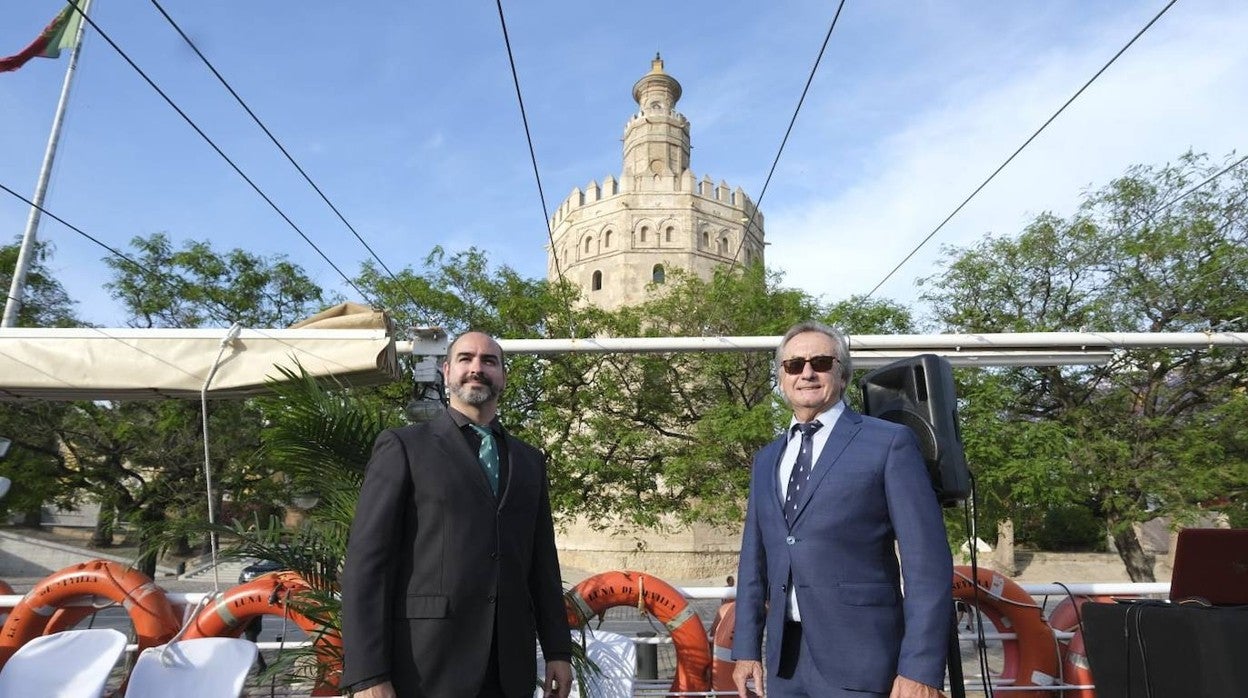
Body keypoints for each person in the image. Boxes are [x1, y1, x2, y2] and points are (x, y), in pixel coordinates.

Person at [340, 331, 573, 698]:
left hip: (509, 668)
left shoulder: (530, 461)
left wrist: (558, 649)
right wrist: (368, 674)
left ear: (503, 377)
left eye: (489, 361)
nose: (476, 368)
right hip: (425, 666)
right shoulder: (404, 447)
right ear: (447, 372)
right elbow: (367, 565)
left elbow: (542, 563)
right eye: (465, 359)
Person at [732, 321, 952, 698]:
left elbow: (927, 564)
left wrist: (921, 669)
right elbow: (754, 561)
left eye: (820, 362)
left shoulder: (888, 443)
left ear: (843, 374)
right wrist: (747, 649)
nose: (806, 373)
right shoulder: (766, 459)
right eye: (793, 365)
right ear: (781, 379)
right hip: (785, 666)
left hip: (863, 661)